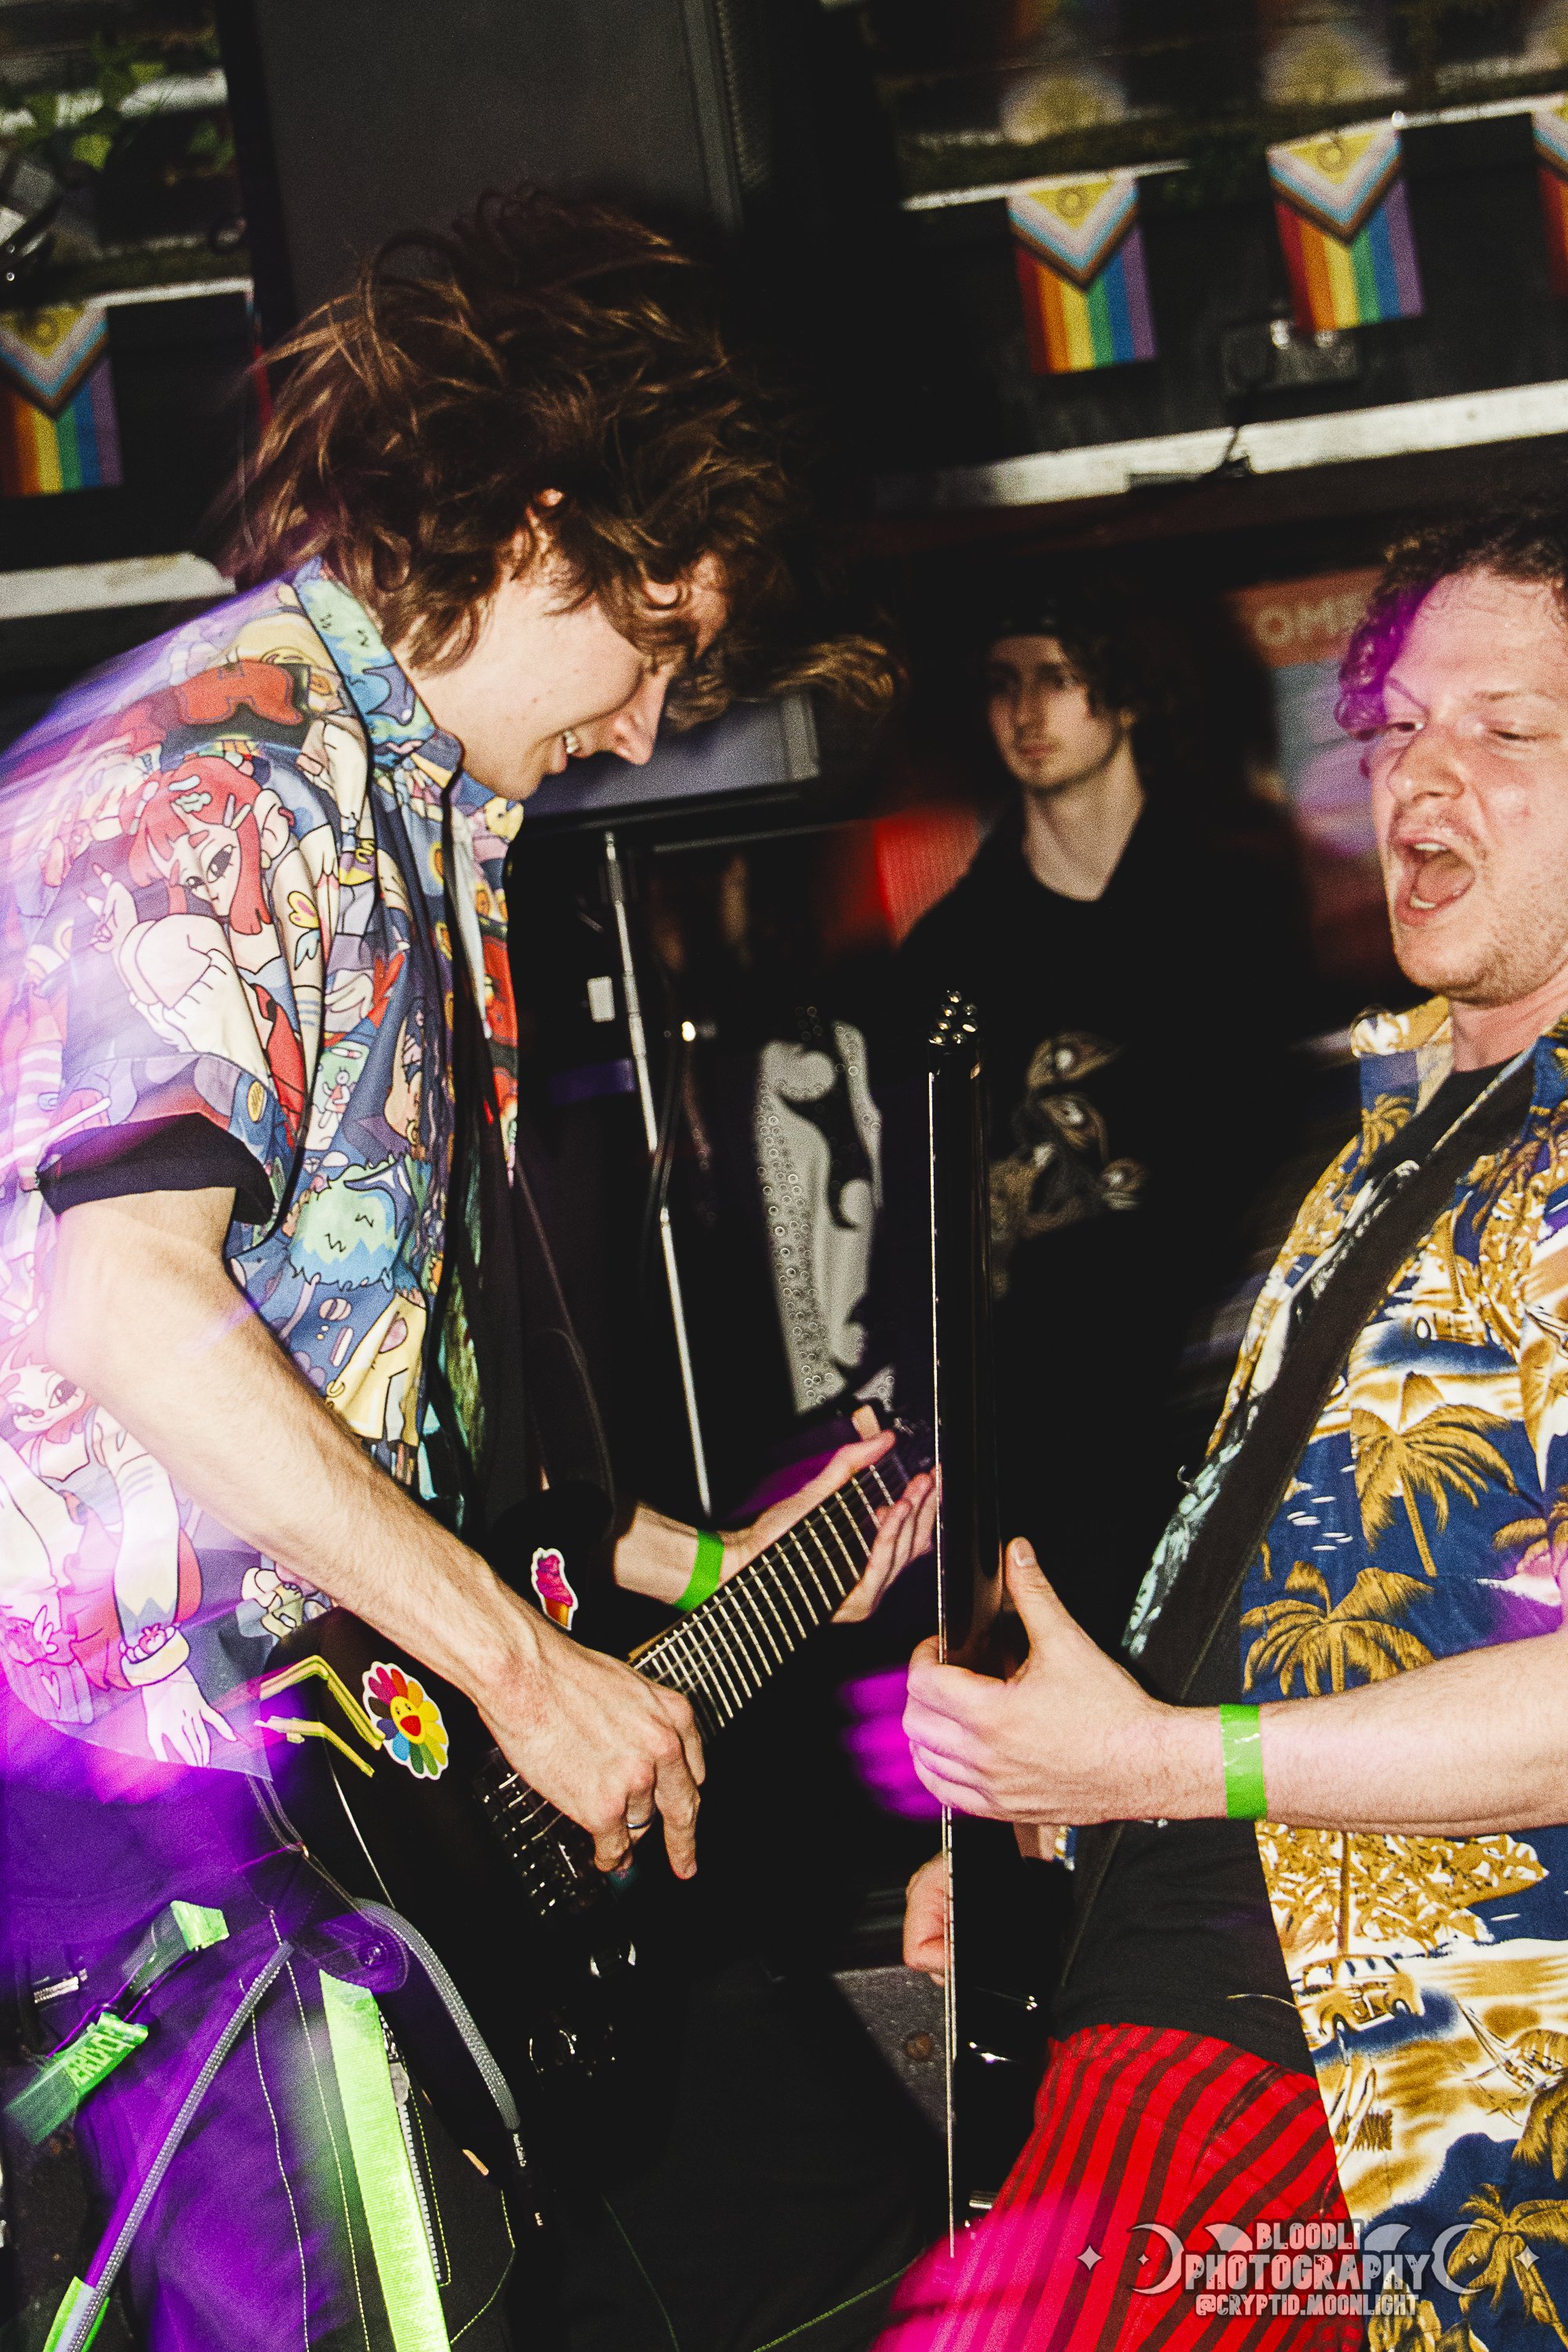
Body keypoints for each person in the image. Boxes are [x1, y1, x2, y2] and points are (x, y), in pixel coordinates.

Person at [0, 187, 936, 2352]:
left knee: (808, 2240)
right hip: (125, 1806)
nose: (653, 719)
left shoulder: (409, 815)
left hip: (310, 1786)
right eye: (661, 645)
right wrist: (525, 1673)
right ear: (538, 530)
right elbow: (126, 1306)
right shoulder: (222, 779)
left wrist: (684, 1564)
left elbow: (358, 1379)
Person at [890, 504, 1568, 2350]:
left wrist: (1150, 1775)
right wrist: (1055, 1824)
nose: (1423, 778)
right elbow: (1294, 1575)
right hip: (1182, 1976)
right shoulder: (1395, 1127)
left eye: (1504, 732)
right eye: (1395, 728)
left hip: (1349, 2054)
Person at [879, 584, 1308, 1653]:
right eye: (1002, 683)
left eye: (1058, 677)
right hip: (1038, 1432)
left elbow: (1291, 1154)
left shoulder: (1231, 907)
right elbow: (916, 1209)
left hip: (1213, 1406)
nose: (1026, 711)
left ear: (1123, 694)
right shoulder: (952, 953)